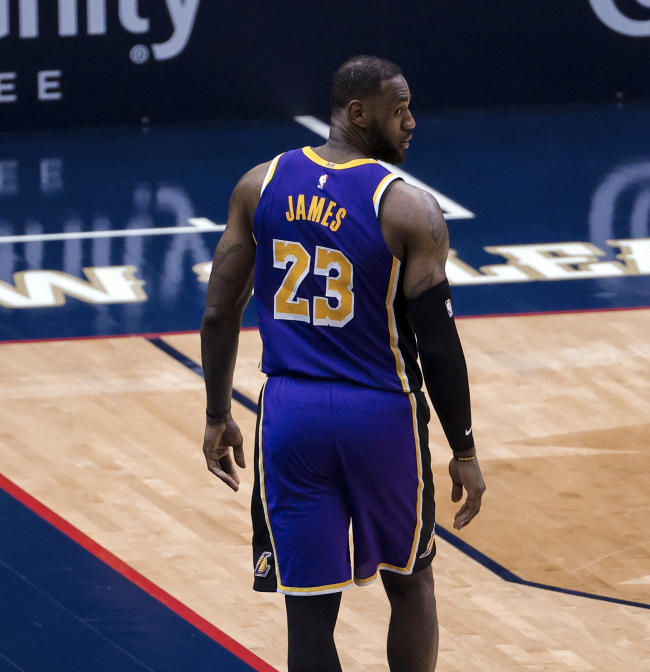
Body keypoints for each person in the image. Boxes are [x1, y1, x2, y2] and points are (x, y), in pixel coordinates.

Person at [200, 55, 486, 672]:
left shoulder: (260, 184)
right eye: (399, 108)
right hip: (380, 413)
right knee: (409, 583)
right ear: (359, 113)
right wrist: (463, 447)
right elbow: (438, 344)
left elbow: (219, 314)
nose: (411, 121)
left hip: (291, 417)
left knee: (307, 611)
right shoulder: (409, 209)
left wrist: (218, 412)